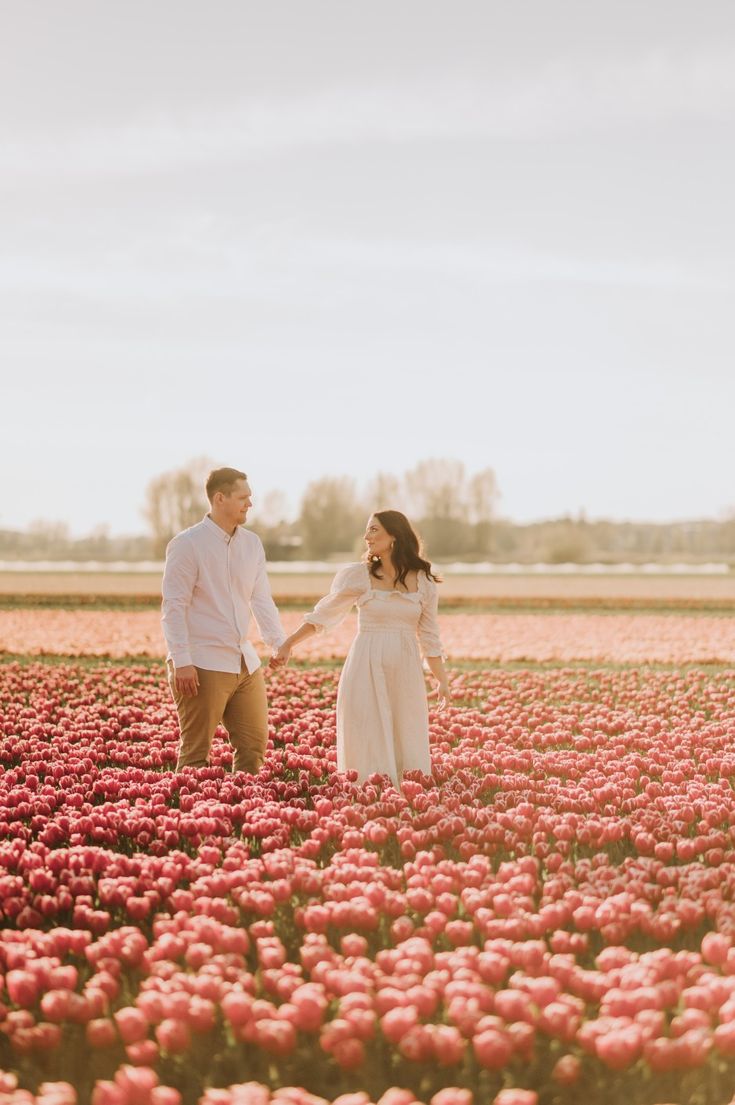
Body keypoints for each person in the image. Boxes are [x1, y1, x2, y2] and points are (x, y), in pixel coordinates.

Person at [271, 510, 450, 787]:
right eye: (367, 530)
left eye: (374, 530)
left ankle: (408, 803)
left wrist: (441, 680)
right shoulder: (359, 576)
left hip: (405, 671)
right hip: (365, 665)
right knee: (367, 729)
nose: (367, 537)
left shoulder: (424, 581)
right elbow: (324, 614)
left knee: (406, 731)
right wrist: (288, 644)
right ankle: (368, 798)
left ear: (394, 536)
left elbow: (429, 636)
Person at [161, 467, 286, 773]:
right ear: (220, 499)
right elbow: (174, 606)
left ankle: (240, 816)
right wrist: (182, 660)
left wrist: (277, 641)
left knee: (254, 746)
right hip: (202, 663)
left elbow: (260, 598)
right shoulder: (187, 544)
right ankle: (189, 819)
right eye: (243, 497)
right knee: (195, 754)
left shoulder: (252, 544)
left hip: (244, 662)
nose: (250, 504)